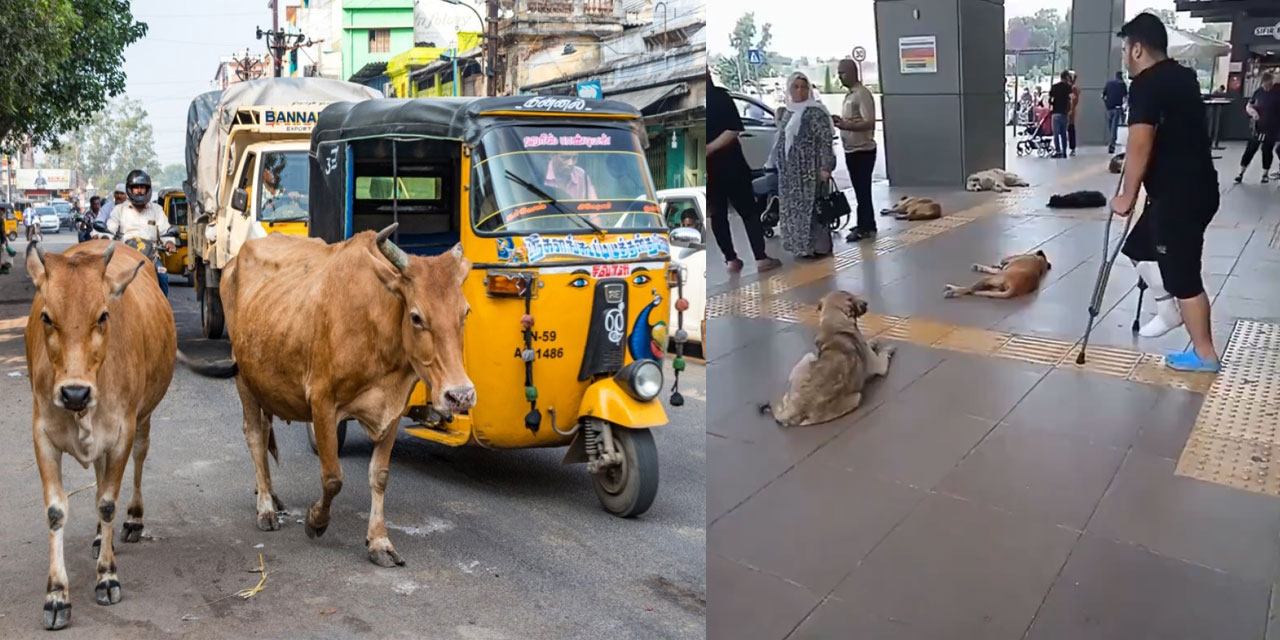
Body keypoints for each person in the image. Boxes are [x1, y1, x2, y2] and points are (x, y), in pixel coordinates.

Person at [1113, 12, 1221, 372]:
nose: (1124, 58)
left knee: (1183, 276)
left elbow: (1140, 142)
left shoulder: (1145, 84)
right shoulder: (1183, 76)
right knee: (1140, 248)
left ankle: (1205, 355)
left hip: (1180, 196)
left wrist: (1127, 196)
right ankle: (1166, 309)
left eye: (1125, 50)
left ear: (1138, 49)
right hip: (1195, 189)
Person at [706, 67, 782, 274]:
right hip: (731, 166)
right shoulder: (719, 97)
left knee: (717, 214)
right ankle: (760, 258)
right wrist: (711, 148)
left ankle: (731, 260)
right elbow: (733, 130)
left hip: (710, 171)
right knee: (748, 211)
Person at [771, 72, 837, 259]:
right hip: (790, 173)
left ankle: (819, 247)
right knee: (794, 211)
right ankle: (801, 247)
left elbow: (826, 141)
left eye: (804, 87)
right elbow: (781, 140)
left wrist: (826, 167)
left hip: (811, 170)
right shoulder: (787, 112)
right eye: (795, 87)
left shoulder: (816, 112)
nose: (800, 91)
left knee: (814, 210)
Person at [107, 169, 175, 298]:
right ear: (129, 189)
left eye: (142, 187)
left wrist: (170, 242)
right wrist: (106, 237)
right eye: (135, 187)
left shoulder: (157, 210)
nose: (139, 191)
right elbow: (110, 228)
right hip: (124, 257)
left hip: (151, 258)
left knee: (163, 278)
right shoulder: (119, 210)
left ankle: (163, 315)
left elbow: (166, 231)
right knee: (108, 280)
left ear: (147, 189)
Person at [835, 58, 878, 242]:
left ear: (853, 72)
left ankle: (864, 227)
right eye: (838, 73)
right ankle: (868, 222)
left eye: (843, 72)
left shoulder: (862, 94)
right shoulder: (850, 95)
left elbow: (868, 122)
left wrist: (846, 125)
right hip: (851, 150)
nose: (840, 76)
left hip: (863, 150)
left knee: (863, 190)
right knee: (860, 189)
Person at [1234, 73, 1280, 184]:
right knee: (1251, 148)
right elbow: (1249, 105)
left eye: (1270, 84)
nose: (1268, 86)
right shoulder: (1258, 92)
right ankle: (1241, 173)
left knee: (1267, 150)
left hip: (1273, 127)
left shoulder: (1277, 93)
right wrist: (1252, 112)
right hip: (1258, 126)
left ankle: (1265, 174)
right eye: (1266, 84)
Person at [1103, 71, 1128, 153]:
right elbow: (1125, 96)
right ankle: (1112, 143)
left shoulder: (1109, 83)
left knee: (1111, 125)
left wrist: (1106, 103)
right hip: (1117, 107)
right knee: (1114, 126)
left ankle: (1112, 140)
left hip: (1109, 107)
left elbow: (1103, 95)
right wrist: (1124, 106)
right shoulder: (1122, 84)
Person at [1049, 72, 1073, 158]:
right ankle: (1064, 152)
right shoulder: (1068, 88)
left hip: (1055, 113)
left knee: (1056, 134)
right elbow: (1071, 100)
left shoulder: (1054, 87)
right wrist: (1070, 110)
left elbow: (1050, 100)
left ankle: (1058, 151)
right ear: (1066, 77)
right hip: (1064, 113)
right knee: (1063, 134)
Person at [1067, 70, 1081, 155]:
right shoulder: (1071, 88)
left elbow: (1074, 100)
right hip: (1068, 110)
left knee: (1070, 128)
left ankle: (1072, 147)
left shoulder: (1073, 88)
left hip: (1070, 111)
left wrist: (1070, 110)